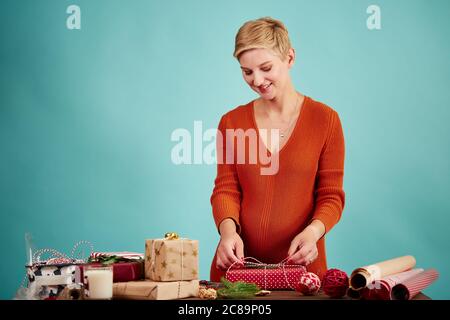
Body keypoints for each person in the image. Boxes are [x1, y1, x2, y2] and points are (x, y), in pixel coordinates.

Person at [210, 17, 345, 282]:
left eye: (266, 67)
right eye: (247, 71)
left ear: (290, 58)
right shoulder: (231, 122)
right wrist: (228, 234)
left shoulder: (326, 120)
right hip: (238, 273)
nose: (257, 80)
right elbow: (226, 189)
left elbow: (331, 196)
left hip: (302, 275)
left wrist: (313, 234)